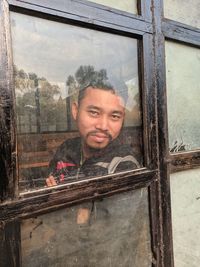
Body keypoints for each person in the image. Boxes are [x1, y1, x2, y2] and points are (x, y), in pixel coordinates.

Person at [46, 69, 140, 186]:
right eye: (94, 112)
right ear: (76, 111)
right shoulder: (66, 149)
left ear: (122, 118)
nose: (103, 126)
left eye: (115, 116)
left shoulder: (124, 165)